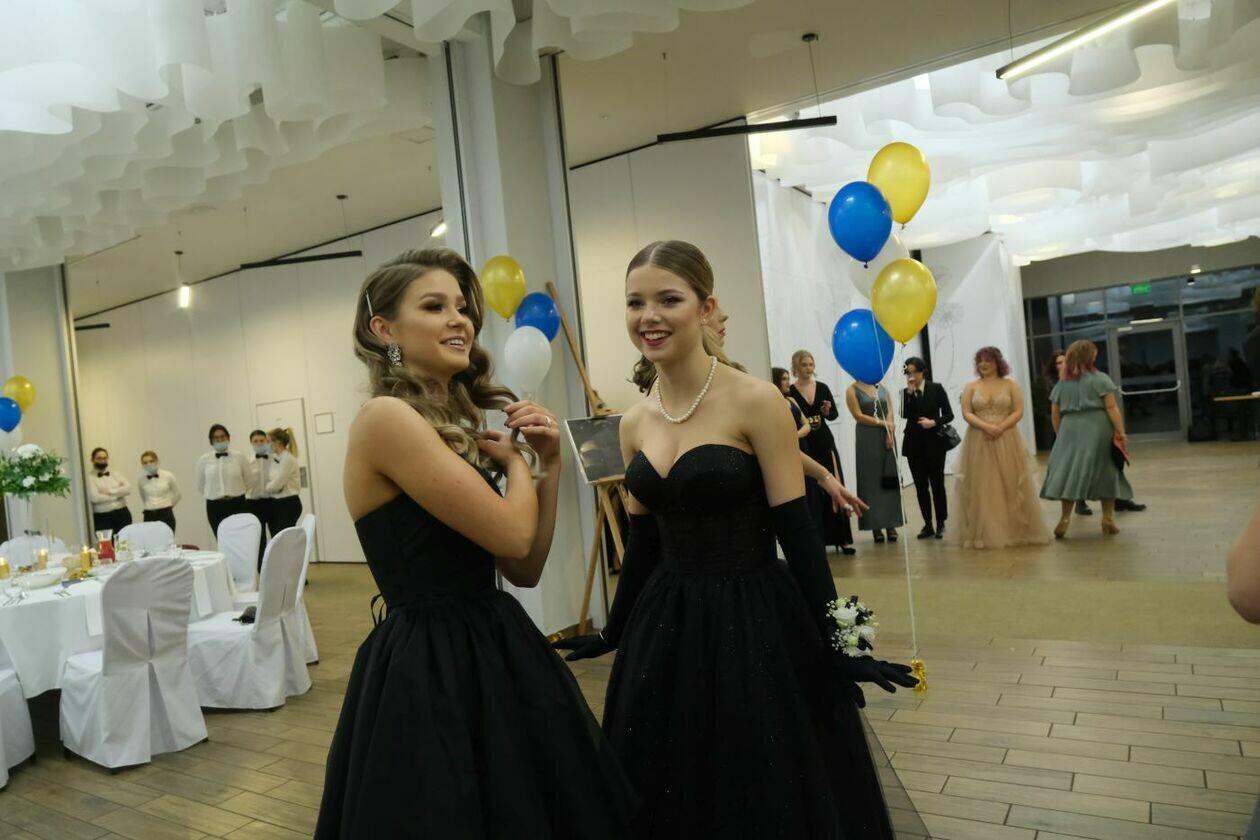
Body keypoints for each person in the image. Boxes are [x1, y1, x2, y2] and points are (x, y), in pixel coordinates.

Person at [558, 240, 919, 838]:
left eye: (668, 299)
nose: (648, 316)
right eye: (635, 303)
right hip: (665, 627)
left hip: (754, 619)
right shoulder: (633, 421)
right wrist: (614, 631)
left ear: (705, 308)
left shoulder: (756, 400)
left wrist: (843, 641)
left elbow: (798, 533)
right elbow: (643, 545)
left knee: (758, 778)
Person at [315, 248, 634, 838]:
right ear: (384, 330)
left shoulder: (452, 424)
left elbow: (524, 566)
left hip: (493, 643)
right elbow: (513, 531)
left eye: (462, 307)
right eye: (434, 306)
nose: (458, 320)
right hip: (431, 664)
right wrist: (514, 465)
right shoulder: (386, 418)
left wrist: (549, 465)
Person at [954, 346, 1049, 549]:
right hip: (979, 439)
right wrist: (986, 426)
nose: (983, 364)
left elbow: (1018, 411)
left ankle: (1015, 530)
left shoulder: (1010, 385)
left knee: (1010, 481)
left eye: (988, 360)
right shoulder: (971, 386)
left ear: (998, 362)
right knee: (982, 484)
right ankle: (983, 532)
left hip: (1007, 438)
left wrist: (1001, 427)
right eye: (980, 361)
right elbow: (967, 412)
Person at [1040, 340, 1133, 538]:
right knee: (1106, 470)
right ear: (1090, 357)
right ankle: (1107, 518)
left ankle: (1065, 517)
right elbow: (1111, 407)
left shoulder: (1062, 384)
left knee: (1070, 472)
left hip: (1069, 428)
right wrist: (1120, 432)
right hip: (1098, 427)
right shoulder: (1101, 379)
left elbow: (1055, 413)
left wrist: (1061, 434)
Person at [789, 351, 857, 554]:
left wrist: (827, 412)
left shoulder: (823, 387)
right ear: (796, 367)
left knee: (833, 483)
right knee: (812, 490)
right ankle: (818, 539)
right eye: (804, 365)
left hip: (824, 441)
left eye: (811, 364)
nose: (809, 368)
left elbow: (833, 414)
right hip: (805, 444)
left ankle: (842, 539)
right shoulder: (791, 391)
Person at [846, 380, 903, 542]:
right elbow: (858, 416)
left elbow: (890, 410)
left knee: (889, 479)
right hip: (867, 437)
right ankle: (875, 526)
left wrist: (890, 431)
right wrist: (883, 423)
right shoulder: (851, 390)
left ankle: (891, 523)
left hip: (886, 436)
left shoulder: (882, 387)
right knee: (870, 482)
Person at [901, 357, 952, 539]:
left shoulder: (936, 388)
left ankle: (941, 523)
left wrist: (934, 422)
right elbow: (904, 414)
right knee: (920, 486)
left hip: (934, 443)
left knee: (937, 484)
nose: (911, 376)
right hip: (913, 444)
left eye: (914, 372)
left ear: (923, 372)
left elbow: (949, 414)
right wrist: (909, 393)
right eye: (908, 373)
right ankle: (928, 524)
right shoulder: (905, 393)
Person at [196, 424, 249, 538]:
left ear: (228, 438)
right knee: (222, 539)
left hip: (238, 503)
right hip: (215, 506)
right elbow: (200, 485)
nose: (220, 440)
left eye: (222, 436)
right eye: (216, 438)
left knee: (240, 539)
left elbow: (249, 480)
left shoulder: (240, 457)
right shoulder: (204, 460)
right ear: (211, 441)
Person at [265, 427, 303, 536]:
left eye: (268, 441)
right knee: (276, 537)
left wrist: (267, 487)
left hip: (288, 503)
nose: (266, 444)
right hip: (277, 503)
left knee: (284, 538)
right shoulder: (276, 458)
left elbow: (277, 484)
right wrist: (270, 486)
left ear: (278, 442)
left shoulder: (287, 459)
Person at [87, 447, 133, 535]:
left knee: (125, 540)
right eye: (99, 458)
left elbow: (128, 489)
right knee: (106, 541)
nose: (102, 461)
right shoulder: (89, 478)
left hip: (122, 513)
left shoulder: (116, 474)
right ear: (92, 460)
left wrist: (110, 492)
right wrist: (118, 495)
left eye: (104, 458)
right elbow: (95, 498)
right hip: (102, 517)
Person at [137, 451, 180, 533]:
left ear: (157, 461)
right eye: (145, 463)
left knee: (167, 537)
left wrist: (168, 505)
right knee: (150, 538)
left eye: (151, 461)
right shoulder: (141, 479)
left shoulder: (168, 475)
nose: (148, 464)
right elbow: (143, 496)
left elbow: (178, 494)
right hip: (149, 514)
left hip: (165, 513)